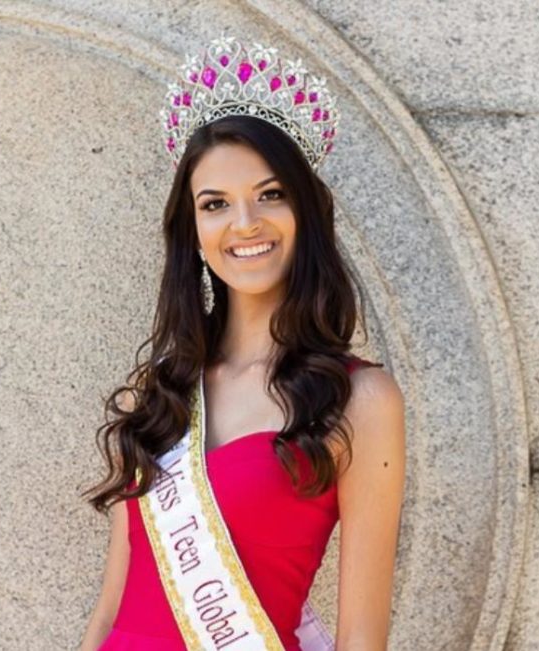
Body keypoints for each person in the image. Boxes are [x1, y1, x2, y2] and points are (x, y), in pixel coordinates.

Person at [78, 31, 406, 651]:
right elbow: (110, 611)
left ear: (305, 212)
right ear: (192, 228)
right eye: (215, 204)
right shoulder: (167, 391)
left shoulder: (360, 399)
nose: (244, 223)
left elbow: (364, 638)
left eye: (270, 194)